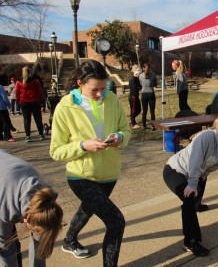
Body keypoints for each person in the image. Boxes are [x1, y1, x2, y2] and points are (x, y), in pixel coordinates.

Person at [49, 60, 131, 266]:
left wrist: (120, 137)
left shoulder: (111, 99)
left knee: (88, 209)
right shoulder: (65, 107)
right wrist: (83, 146)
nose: (100, 94)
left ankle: (68, 240)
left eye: (103, 88)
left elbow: (126, 129)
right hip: (81, 175)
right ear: (80, 83)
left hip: (109, 173)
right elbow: (56, 151)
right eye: (95, 89)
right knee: (116, 221)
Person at [163, 116, 218, 257]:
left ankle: (195, 205)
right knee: (189, 199)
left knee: (196, 199)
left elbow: (210, 168)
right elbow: (194, 161)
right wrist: (192, 185)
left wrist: (200, 179)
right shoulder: (206, 136)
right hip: (175, 170)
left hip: (197, 173)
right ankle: (190, 241)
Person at [0, 150, 63, 267]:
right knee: (8, 246)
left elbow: (41, 242)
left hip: (8, 178)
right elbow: (4, 249)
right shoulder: (4, 207)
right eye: (34, 230)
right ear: (25, 219)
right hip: (4, 192)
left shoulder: (46, 199)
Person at [15, 67, 45, 142]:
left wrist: (19, 101)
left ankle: (27, 136)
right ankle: (41, 134)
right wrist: (41, 101)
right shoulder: (35, 81)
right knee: (38, 118)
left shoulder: (19, 81)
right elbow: (40, 91)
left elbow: (17, 92)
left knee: (26, 119)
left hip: (24, 102)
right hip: (35, 101)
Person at [139, 61, 157, 130]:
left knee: (144, 111)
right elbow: (155, 83)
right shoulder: (153, 75)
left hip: (144, 94)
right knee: (152, 111)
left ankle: (144, 125)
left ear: (143, 68)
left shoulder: (140, 76)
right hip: (151, 93)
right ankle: (153, 126)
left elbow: (140, 83)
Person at [128, 65, 142, 129]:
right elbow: (135, 88)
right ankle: (134, 124)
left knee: (139, 110)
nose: (139, 75)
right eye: (138, 73)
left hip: (136, 96)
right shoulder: (132, 79)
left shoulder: (136, 79)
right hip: (132, 96)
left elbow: (140, 86)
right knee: (133, 110)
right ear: (135, 73)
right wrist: (138, 88)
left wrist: (138, 87)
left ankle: (131, 119)